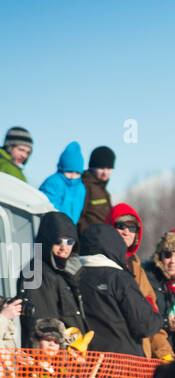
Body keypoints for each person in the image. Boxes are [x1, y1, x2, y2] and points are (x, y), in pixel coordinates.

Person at [77, 223, 162, 356]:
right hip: (122, 362)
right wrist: (156, 316)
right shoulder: (119, 278)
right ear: (115, 246)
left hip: (87, 361)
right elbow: (144, 324)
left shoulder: (74, 276)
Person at [107, 203, 173, 361]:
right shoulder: (97, 263)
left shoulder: (137, 270)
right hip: (107, 353)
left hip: (138, 356)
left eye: (132, 228)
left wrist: (165, 354)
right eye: (120, 226)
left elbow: (150, 315)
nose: (126, 232)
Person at [17, 211, 87, 346]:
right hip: (49, 359)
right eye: (58, 241)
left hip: (69, 358)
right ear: (47, 241)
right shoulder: (36, 271)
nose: (64, 247)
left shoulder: (66, 273)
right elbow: (43, 326)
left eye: (69, 241)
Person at [38, 142, 87, 224]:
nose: (72, 176)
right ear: (62, 169)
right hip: (52, 224)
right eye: (69, 172)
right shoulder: (53, 182)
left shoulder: (80, 188)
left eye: (77, 173)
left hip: (69, 227)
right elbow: (46, 204)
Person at [79, 147, 116, 230]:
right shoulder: (85, 186)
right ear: (92, 167)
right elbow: (78, 218)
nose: (105, 172)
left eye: (109, 168)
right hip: (90, 239)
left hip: (103, 238)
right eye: (101, 168)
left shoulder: (103, 190)